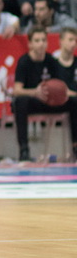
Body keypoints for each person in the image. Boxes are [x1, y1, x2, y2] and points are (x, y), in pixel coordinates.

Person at [12, 28, 68, 162]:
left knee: (73, 102)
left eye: (43, 40)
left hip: (50, 102)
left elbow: (60, 86)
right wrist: (34, 92)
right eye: (37, 40)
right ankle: (24, 150)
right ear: (30, 43)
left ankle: (75, 147)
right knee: (20, 101)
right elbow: (16, 90)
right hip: (32, 102)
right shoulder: (24, 61)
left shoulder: (51, 61)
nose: (41, 43)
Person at [51, 26, 77, 161]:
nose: (73, 43)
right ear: (61, 41)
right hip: (58, 103)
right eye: (70, 39)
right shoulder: (53, 63)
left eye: (75, 40)